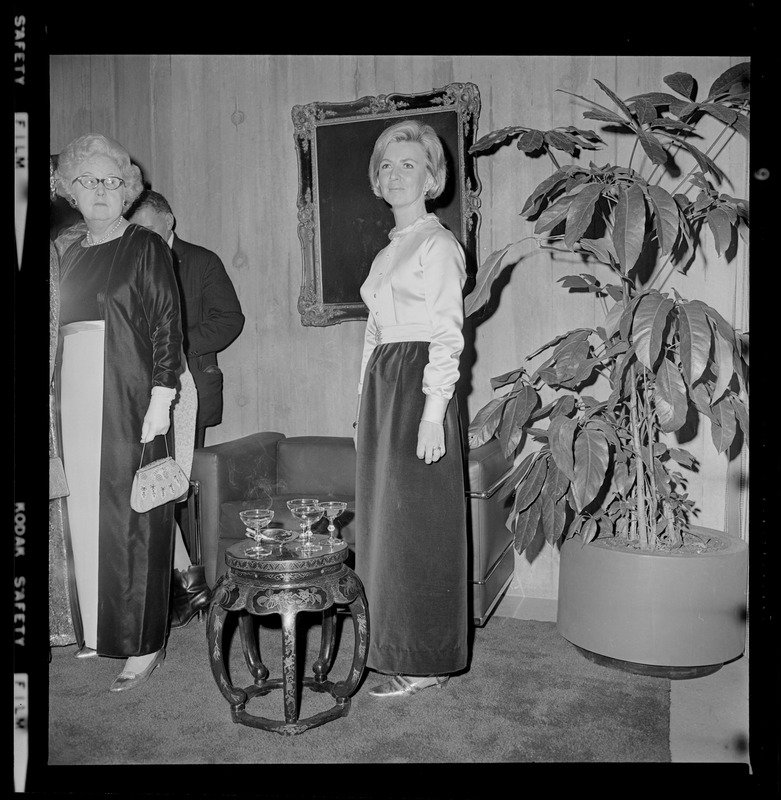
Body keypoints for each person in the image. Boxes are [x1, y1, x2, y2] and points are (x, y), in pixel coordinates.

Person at [54, 133, 185, 691]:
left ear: (128, 190)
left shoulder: (145, 246)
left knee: (133, 522)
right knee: (85, 516)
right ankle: (102, 630)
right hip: (74, 401)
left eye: (111, 180)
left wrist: (161, 400)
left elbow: (165, 326)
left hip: (129, 396)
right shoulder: (70, 253)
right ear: (70, 191)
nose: (101, 191)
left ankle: (143, 642)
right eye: (88, 181)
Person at [355, 120, 469, 697]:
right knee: (387, 528)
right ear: (377, 179)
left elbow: (448, 335)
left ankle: (425, 659)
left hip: (419, 388)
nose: (396, 175)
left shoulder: (438, 243)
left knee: (419, 526)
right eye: (387, 165)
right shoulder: (387, 253)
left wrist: (432, 413)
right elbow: (374, 336)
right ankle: (392, 645)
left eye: (409, 164)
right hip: (384, 391)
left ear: (432, 175)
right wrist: (363, 406)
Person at [128, 190, 244, 449]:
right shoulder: (127, 265)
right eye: (134, 231)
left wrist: (173, 346)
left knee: (184, 475)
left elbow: (229, 321)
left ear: (168, 221)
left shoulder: (203, 261)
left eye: (147, 228)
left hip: (186, 385)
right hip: (135, 388)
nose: (140, 238)